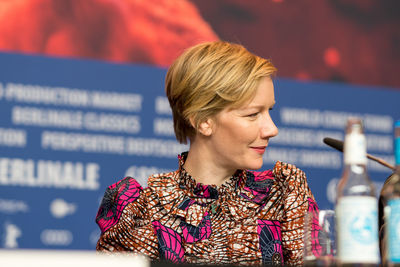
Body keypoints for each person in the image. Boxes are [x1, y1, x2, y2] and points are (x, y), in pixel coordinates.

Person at [95, 41, 318, 266]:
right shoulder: (141, 211)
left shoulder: (285, 198)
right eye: (252, 114)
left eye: (269, 111)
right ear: (203, 122)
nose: (272, 129)